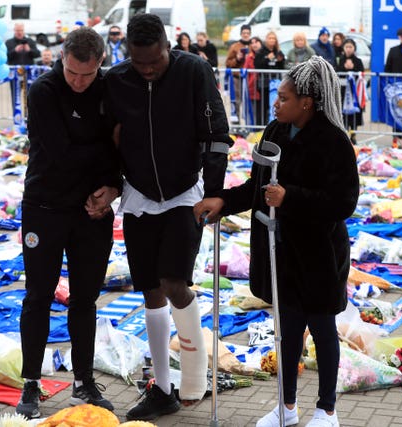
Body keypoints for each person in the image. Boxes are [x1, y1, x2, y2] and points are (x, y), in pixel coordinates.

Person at [193, 55, 359, 427]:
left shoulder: (334, 141)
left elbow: (344, 202)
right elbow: (257, 188)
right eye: (277, 96)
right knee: (287, 332)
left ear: (307, 102)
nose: (276, 103)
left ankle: (326, 410)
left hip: (319, 253)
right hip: (279, 249)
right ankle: (286, 406)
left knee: (322, 328)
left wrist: (291, 197)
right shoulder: (274, 132)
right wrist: (224, 201)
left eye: (284, 98)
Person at [104, 13, 233, 421]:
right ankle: (162, 387)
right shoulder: (117, 79)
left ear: (167, 47)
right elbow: (108, 139)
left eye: (154, 62)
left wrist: (214, 192)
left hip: (185, 194)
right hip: (138, 195)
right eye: (138, 62)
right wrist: (109, 181)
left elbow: (216, 133)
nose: (146, 70)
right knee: (150, 290)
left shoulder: (193, 70)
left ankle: (195, 375)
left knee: (175, 282)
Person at [16, 26, 121, 420]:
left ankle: (84, 379)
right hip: (45, 205)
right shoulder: (43, 90)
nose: (79, 82)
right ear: (62, 59)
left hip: (93, 210)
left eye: (87, 75)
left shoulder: (108, 88)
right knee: (38, 295)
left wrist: (111, 187)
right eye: (72, 72)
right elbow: (61, 152)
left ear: (99, 66)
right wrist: (105, 157)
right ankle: (31, 381)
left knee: (85, 299)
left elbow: (121, 148)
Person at [335, 38, 365, 144]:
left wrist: (353, 69)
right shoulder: (340, 59)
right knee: (342, 115)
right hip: (342, 92)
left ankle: (353, 135)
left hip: (354, 92)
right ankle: (343, 135)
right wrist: (344, 68)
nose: (348, 49)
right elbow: (336, 73)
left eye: (350, 47)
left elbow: (361, 75)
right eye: (346, 47)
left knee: (354, 116)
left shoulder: (358, 61)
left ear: (354, 48)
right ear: (343, 48)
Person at [255, 31, 285, 125]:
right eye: (270, 38)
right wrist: (267, 58)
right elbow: (257, 65)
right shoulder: (261, 51)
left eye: (273, 38)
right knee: (263, 107)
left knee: (275, 106)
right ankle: (261, 127)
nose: (272, 40)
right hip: (264, 83)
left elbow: (282, 67)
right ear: (266, 40)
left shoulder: (278, 52)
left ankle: (274, 125)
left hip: (276, 83)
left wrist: (281, 61)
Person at [225, 24, 252, 123]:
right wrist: (237, 58)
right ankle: (236, 126)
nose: (246, 35)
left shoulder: (253, 45)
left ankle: (250, 128)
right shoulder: (235, 46)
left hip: (250, 78)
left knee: (250, 103)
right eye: (244, 33)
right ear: (241, 34)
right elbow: (228, 63)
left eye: (248, 33)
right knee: (236, 102)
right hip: (237, 78)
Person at [244, 37, 263, 125]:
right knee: (254, 112)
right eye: (252, 43)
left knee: (263, 112)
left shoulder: (265, 54)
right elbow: (245, 71)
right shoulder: (249, 57)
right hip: (253, 88)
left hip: (263, 87)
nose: (254, 44)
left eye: (256, 42)